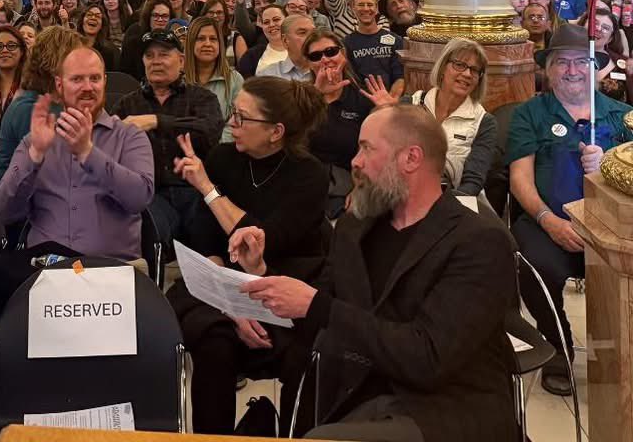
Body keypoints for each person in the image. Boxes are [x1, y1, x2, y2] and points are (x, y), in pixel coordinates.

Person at [242, 105, 519, 442]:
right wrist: (261, 272)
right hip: (361, 387)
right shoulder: (355, 226)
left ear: (411, 158)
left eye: (366, 149)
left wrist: (317, 306)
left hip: (445, 406)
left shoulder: (478, 241)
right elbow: (319, 308)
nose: (355, 162)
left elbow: (429, 359)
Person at [168, 76, 330, 433]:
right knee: (213, 340)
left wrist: (208, 189)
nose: (232, 123)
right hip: (225, 288)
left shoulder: (310, 176)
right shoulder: (223, 158)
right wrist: (229, 302)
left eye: (242, 117)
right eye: (233, 113)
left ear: (275, 132)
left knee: (300, 351)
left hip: (284, 287)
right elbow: (206, 241)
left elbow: (260, 242)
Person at [506, 23, 633, 394]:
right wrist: (548, 221)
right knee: (533, 265)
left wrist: (607, 165)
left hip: (614, 226)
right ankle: (557, 346)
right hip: (550, 223)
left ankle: (617, 352)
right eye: (562, 62)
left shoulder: (623, 115)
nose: (573, 70)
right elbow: (519, 179)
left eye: (582, 61)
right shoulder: (530, 113)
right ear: (549, 70)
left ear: (596, 68)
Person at [0, 47, 155, 320]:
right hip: (44, 275)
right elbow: (1, 211)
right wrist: (35, 156)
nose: (88, 87)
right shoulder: (36, 139)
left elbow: (139, 198)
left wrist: (88, 153)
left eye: (94, 78)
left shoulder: (129, 137)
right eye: (77, 79)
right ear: (59, 85)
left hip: (111, 276)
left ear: (104, 82)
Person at [113, 29, 224, 250]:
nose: (156, 61)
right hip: (151, 194)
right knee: (149, 225)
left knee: (209, 232)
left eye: (163, 54)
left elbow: (209, 131)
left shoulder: (202, 98)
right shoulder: (127, 105)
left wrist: (156, 121)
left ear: (181, 60)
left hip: (195, 191)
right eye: (149, 56)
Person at [305, 31, 398, 216]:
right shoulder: (301, 97)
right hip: (306, 183)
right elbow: (290, 140)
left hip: (349, 184)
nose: (325, 59)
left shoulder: (363, 98)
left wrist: (386, 112)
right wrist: (316, 96)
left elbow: (378, 149)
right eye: (316, 56)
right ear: (308, 63)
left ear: (343, 54)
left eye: (331, 52)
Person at [0, 26, 83, 187]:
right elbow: (52, 172)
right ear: (57, 62)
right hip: (18, 193)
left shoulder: (65, 101)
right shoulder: (29, 109)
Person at [406, 38, 499, 195]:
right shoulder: (411, 104)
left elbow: (472, 182)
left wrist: (445, 204)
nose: (467, 74)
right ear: (443, 67)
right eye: (460, 65)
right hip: (404, 191)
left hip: (454, 196)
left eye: (475, 70)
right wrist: (384, 112)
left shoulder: (484, 122)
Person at [183, 16, 244, 136]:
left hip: (222, 145)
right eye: (201, 38)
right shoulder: (177, 80)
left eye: (213, 39)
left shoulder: (235, 80)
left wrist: (210, 142)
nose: (207, 44)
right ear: (191, 43)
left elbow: (238, 124)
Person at [343, 0, 404, 93]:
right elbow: (350, 79)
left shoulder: (395, 40)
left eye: (370, 5)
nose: (366, 9)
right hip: (360, 99)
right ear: (353, 9)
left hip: (390, 98)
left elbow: (400, 77)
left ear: (376, 9)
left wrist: (390, 99)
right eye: (361, 5)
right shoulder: (347, 43)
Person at [120, 0, 173, 79]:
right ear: (149, 17)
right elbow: (126, 73)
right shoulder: (134, 40)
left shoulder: (174, 43)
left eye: (164, 16)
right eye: (155, 15)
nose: (160, 19)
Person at [257, 14, 316, 82]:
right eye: (302, 33)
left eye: (314, 33)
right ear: (285, 41)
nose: (311, 37)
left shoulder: (325, 69)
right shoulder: (268, 76)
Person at [237, 3, 288, 78]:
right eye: (266, 22)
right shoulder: (252, 55)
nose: (271, 25)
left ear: (287, 21)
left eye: (276, 19)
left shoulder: (301, 50)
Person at [76, 4, 120, 71]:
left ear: (102, 25)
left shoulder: (110, 51)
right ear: (82, 21)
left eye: (98, 16)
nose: (93, 18)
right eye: (89, 15)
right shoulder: (72, 46)